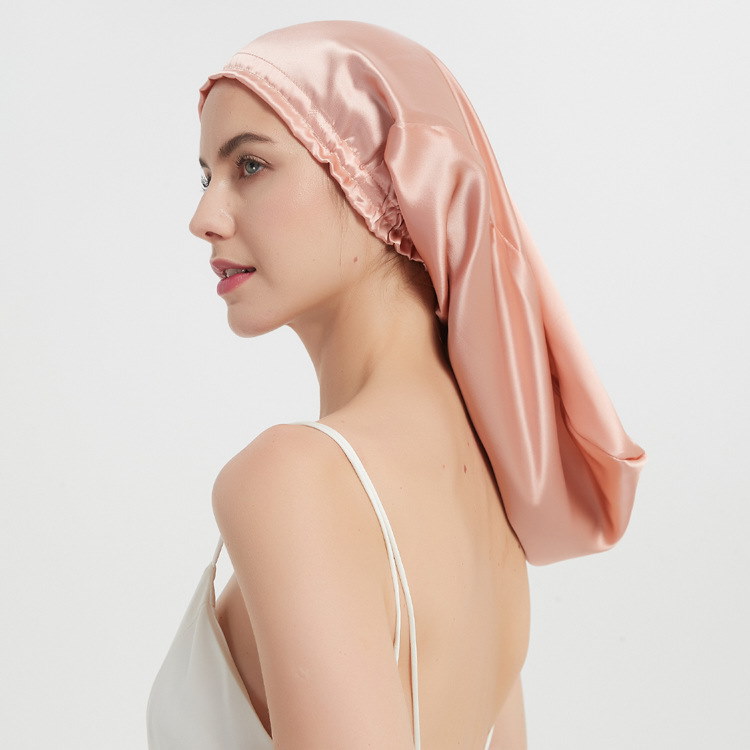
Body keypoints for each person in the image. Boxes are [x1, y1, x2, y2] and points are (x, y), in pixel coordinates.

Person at [147, 19, 645, 750]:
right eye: (205, 176)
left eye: (249, 165)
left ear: (376, 178)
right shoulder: (491, 496)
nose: (203, 217)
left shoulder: (294, 480)